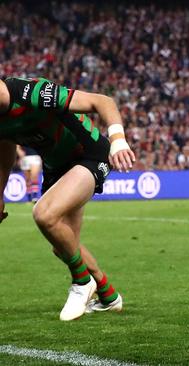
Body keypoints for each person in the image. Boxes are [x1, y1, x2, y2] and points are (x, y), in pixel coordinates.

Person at [0, 76, 135, 321]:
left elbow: (102, 101)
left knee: (45, 214)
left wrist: (118, 141)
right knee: (62, 244)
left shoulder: (32, 92)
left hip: (89, 154)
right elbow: (4, 153)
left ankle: (82, 282)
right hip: (56, 168)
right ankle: (108, 296)